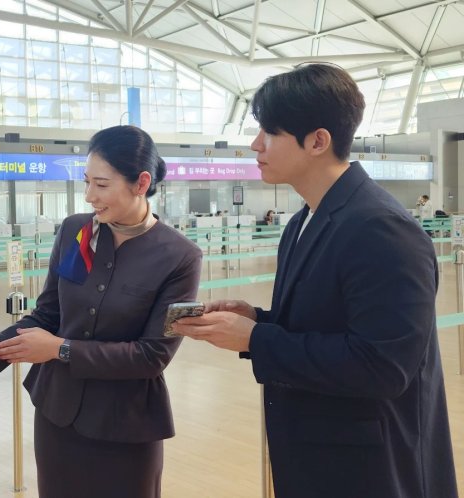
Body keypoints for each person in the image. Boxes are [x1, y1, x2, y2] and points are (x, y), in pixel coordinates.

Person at [170, 64, 457, 498]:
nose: (255, 145)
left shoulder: (380, 228)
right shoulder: (305, 220)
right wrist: (257, 319)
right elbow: (327, 323)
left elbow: (383, 366)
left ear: (318, 141)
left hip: (370, 468)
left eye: (269, 132)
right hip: (319, 455)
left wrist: (256, 339)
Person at [0, 125, 202, 498]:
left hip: (126, 426)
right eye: (87, 182)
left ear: (141, 183)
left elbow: (152, 356)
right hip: (58, 414)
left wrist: (61, 349)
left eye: (101, 185)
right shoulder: (75, 231)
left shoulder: (180, 257)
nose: (89, 196)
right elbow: (47, 315)